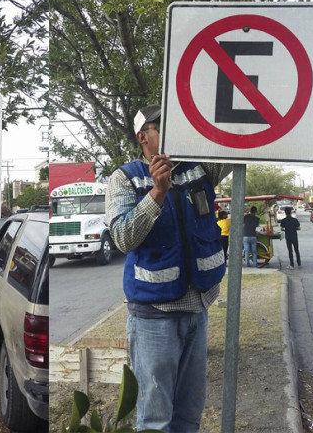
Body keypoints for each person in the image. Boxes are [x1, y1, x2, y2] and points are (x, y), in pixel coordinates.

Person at [105, 105, 229, 432]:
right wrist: (157, 192)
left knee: (189, 413)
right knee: (156, 420)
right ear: (142, 136)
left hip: (198, 308)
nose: (172, 131)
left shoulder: (198, 167)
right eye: (162, 126)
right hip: (153, 316)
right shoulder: (125, 177)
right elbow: (122, 237)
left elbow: (239, 145)